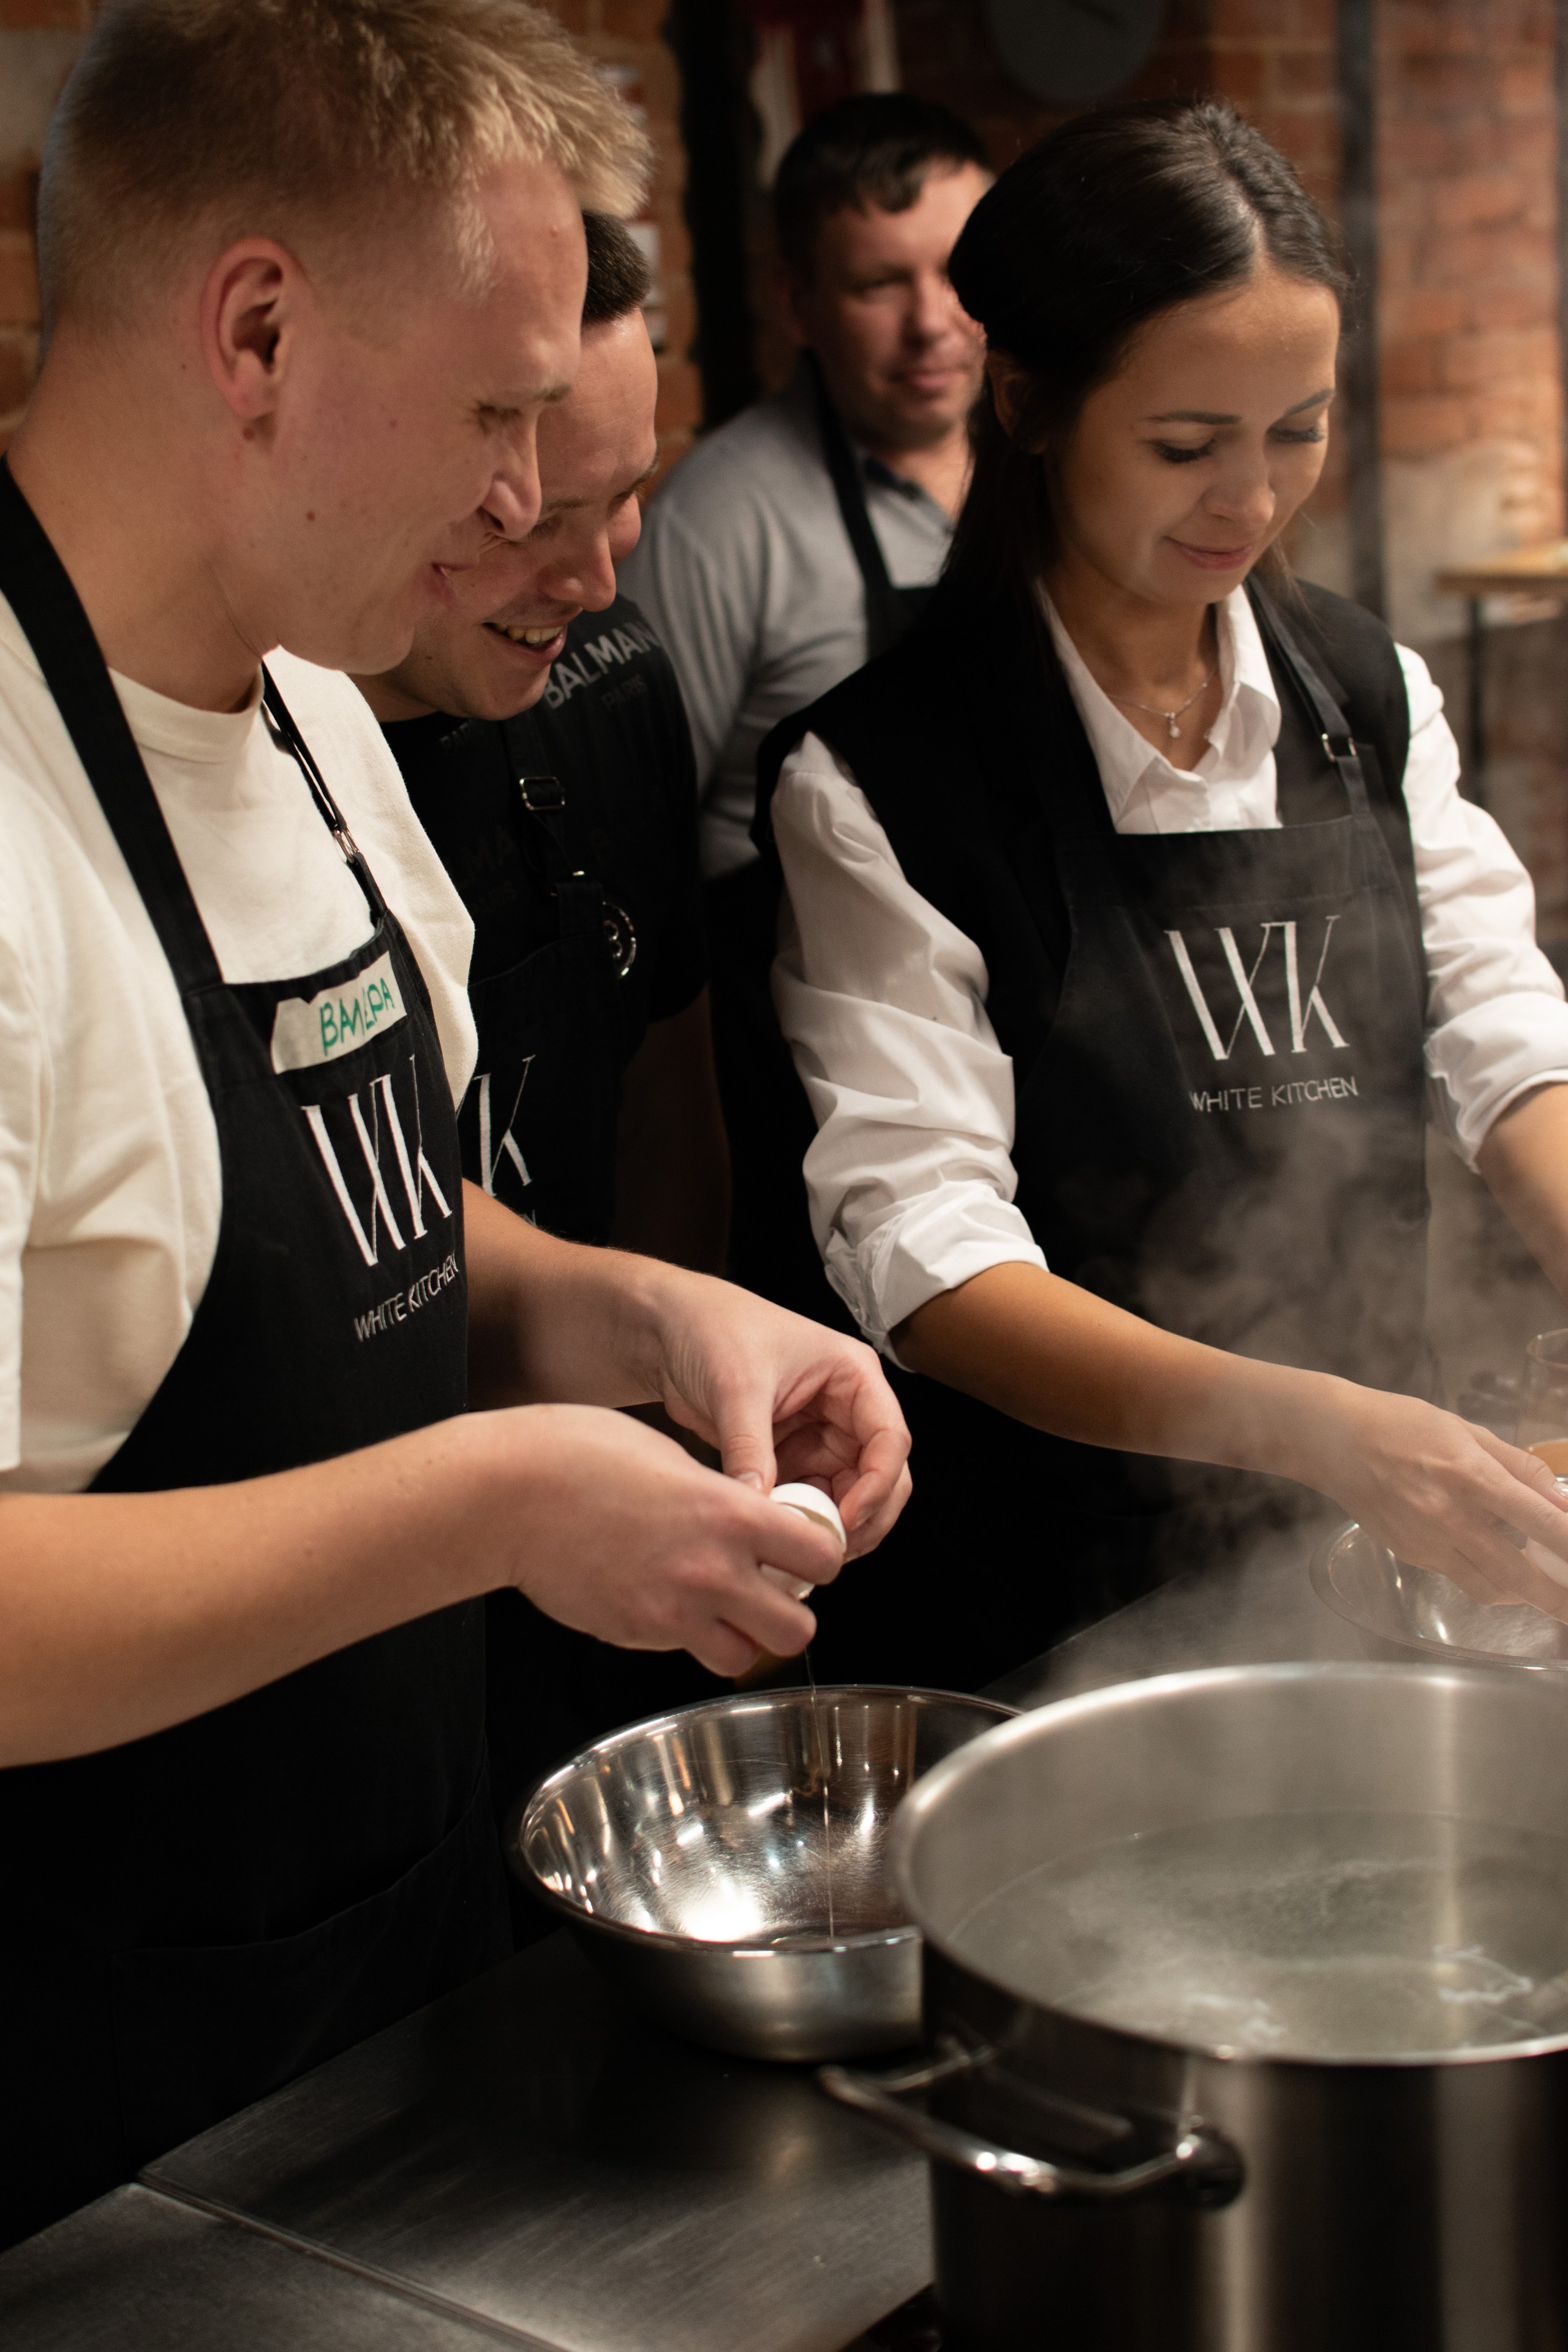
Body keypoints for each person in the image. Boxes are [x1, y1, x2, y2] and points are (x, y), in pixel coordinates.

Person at [0, 0, 908, 2247]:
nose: (531, 507)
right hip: (74, 2123)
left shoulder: (309, 710)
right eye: (498, 411)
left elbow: (347, 1216)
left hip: (364, 2002)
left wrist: (633, 1312)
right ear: (260, 332)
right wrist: (501, 1495)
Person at [753, 97, 1568, 1695]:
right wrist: (1320, 1427)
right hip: (1060, 1595)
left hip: (1376, 1541)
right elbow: (929, 1252)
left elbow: (1501, 1024)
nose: (1251, 503)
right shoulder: (886, 778)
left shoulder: (1360, 690)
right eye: (1189, 446)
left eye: (1298, 429)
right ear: (1034, 405)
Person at [355, 211, 730, 1837]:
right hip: (352, 1573)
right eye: (540, 517)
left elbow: (666, 1083)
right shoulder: (255, 743)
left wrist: (674, 1360)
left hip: (604, 1494)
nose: (595, 570)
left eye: (627, 494)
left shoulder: (613, 678)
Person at [622, 92, 990, 1316]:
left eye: (955, 271)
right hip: (806, 1078)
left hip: (1009, 1032)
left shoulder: (1044, 475)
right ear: (796, 304)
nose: (931, 323)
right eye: (879, 283)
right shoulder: (724, 521)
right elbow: (640, 853)